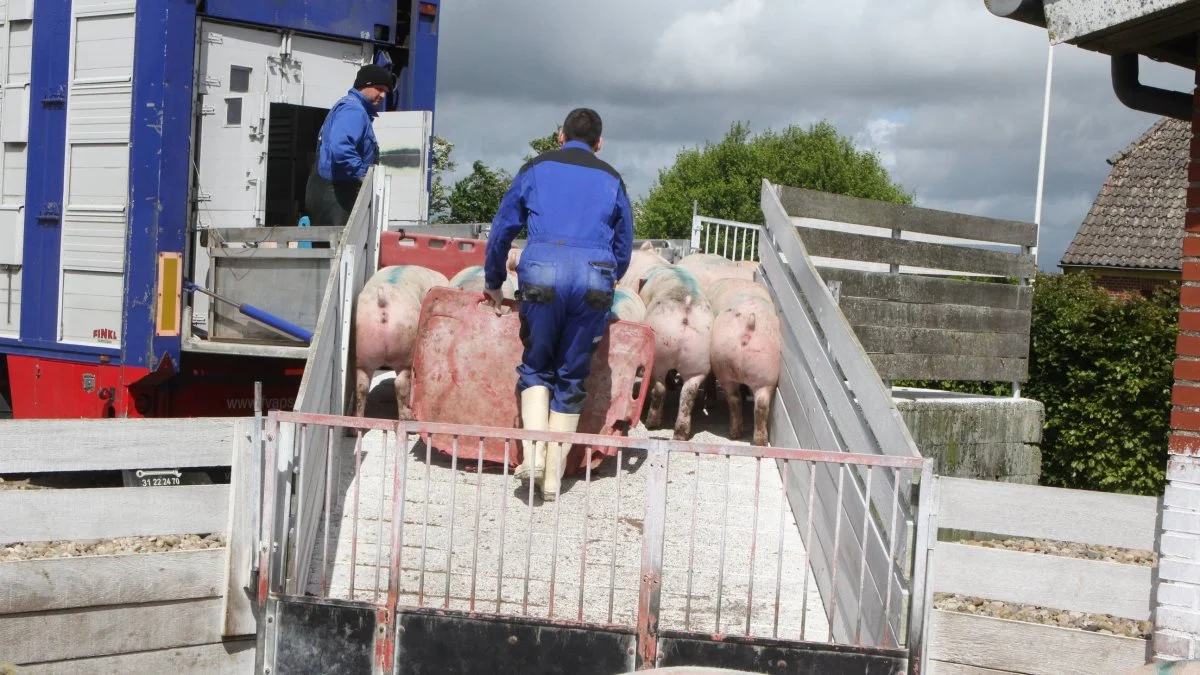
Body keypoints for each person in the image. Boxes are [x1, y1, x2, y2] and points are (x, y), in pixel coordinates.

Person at [483, 108, 634, 502]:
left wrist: (494, 281)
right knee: (572, 375)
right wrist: (607, 275)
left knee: (536, 365)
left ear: (560, 136)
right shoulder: (612, 179)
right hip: (593, 279)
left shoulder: (534, 168)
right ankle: (553, 477)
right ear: (599, 143)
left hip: (542, 274)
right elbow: (623, 244)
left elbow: (502, 230)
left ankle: (532, 453)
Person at [305, 64, 392, 227]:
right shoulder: (354, 110)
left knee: (333, 248)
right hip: (336, 191)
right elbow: (341, 148)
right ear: (364, 86)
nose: (382, 95)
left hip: (331, 189)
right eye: (379, 88)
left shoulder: (352, 108)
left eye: (385, 91)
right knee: (342, 248)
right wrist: (363, 176)